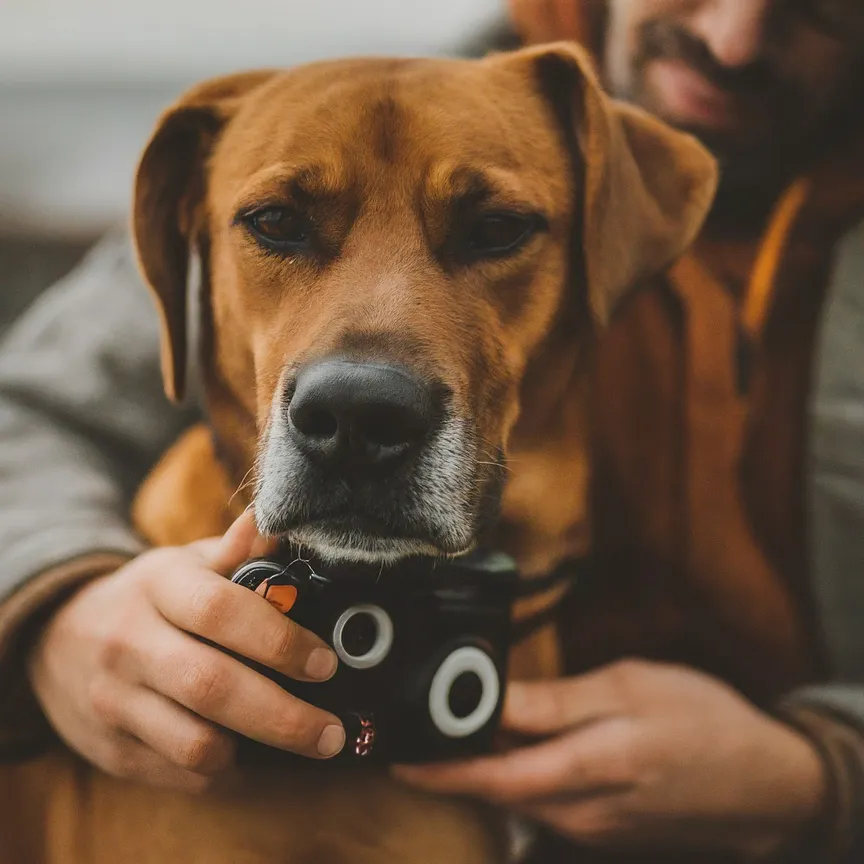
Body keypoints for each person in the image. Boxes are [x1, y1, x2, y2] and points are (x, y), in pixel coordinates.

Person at [0, 1, 863, 861]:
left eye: (493, 230)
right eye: (278, 225)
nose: (734, 38)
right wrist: (61, 608)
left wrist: (824, 774)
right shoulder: (339, 119)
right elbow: (27, 408)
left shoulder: (570, 145)